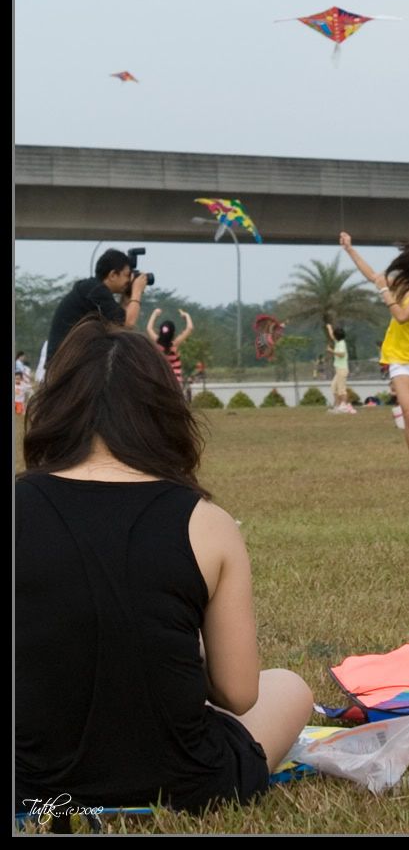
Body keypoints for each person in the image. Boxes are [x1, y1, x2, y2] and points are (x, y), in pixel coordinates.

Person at [16, 316, 312, 816]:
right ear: (164, 410)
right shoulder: (208, 523)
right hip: (187, 783)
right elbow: (238, 695)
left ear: (55, 405)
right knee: (290, 688)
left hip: (29, 782)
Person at [340, 231, 409, 478]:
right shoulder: (400, 283)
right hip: (399, 356)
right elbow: (372, 275)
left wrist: (384, 292)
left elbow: (402, 316)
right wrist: (350, 249)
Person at [46, 249, 149, 364]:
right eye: (127, 275)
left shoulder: (92, 288)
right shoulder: (97, 291)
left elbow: (118, 325)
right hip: (63, 362)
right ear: (113, 275)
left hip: (65, 358)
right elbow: (128, 323)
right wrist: (137, 291)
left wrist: (126, 298)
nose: (128, 281)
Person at [147, 308, 194, 388]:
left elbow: (149, 328)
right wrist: (186, 315)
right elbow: (190, 328)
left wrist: (155, 314)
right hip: (175, 381)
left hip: (159, 380)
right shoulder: (175, 344)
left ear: (160, 331)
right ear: (173, 332)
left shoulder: (156, 341)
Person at [325, 323, 355, 413]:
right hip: (338, 369)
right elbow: (331, 335)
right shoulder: (338, 341)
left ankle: (345, 406)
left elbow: (342, 354)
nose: (332, 335)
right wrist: (329, 327)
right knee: (334, 387)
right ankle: (338, 406)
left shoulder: (341, 344)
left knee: (341, 389)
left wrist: (331, 351)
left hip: (342, 369)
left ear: (337, 336)